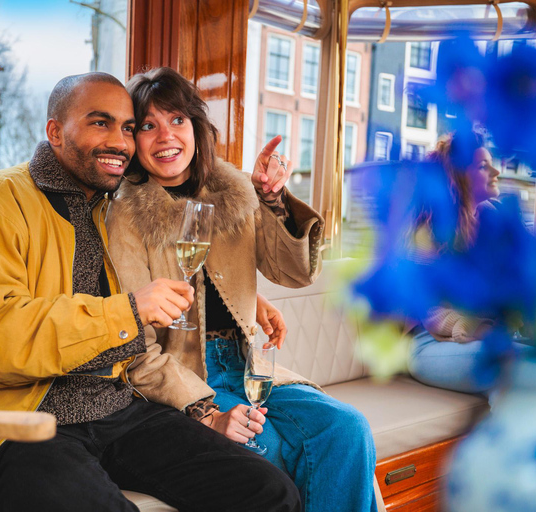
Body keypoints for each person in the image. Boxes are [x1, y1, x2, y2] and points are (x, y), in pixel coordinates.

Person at [0, 72, 302, 512]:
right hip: (9, 417)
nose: (120, 142)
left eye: (127, 127)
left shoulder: (111, 206)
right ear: (54, 132)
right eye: (99, 123)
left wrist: (244, 295)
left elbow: (188, 263)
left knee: (268, 492)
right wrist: (126, 313)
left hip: (115, 406)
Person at [106, 67, 378, 512]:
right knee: (265, 449)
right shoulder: (126, 216)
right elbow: (135, 343)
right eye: (148, 125)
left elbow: (293, 273)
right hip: (186, 373)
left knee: (348, 428)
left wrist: (272, 201)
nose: (164, 136)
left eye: (176, 119)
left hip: (248, 363)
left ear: (196, 126)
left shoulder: (231, 191)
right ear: (133, 141)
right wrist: (205, 413)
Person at [407, 133, 524, 394]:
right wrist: (468, 326)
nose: (496, 171)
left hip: (486, 337)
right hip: (431, 344)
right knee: (509, 363)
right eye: (483, 166)